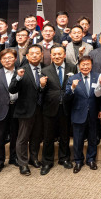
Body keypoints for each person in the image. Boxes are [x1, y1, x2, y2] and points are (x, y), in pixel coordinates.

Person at [39, 45, 77, 175]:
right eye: (54, 54)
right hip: (50, 107)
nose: (57, 56)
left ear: (64, 55)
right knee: (48, 137)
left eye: (59, 54)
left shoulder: (72, 67)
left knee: (64, 136)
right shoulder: (45, 70)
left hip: (66, 106)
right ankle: (47, 162)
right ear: (50, 55)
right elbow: (42, 91)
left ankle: (64, 158)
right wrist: (42, 86)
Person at [8, 44, 45, 176]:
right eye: (32, 53)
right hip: (25, 110)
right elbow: (12, 89)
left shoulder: (46, 69)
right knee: (22, 138)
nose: (35, 55)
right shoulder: (21, 70)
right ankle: (23, 164)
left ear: (41, 55)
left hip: (41, 110)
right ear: (27, 56)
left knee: (36, 136)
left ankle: (33, 158)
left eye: (37, 53)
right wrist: (17, 77)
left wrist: (42, 86)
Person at [64, 56, 101, 172]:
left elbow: (100, 96)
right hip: (78, 113)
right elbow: (67, 97)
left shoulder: (97, 76)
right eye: (83, 65)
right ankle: (78, 161)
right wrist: (73, 88)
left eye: (88, 64)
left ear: (91, 65)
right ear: (78, 66)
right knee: (78, 139)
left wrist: (100, 110)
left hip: (93, 113)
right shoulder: (72, 78)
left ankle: (91, 159)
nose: (85, 67)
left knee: (92, 138)